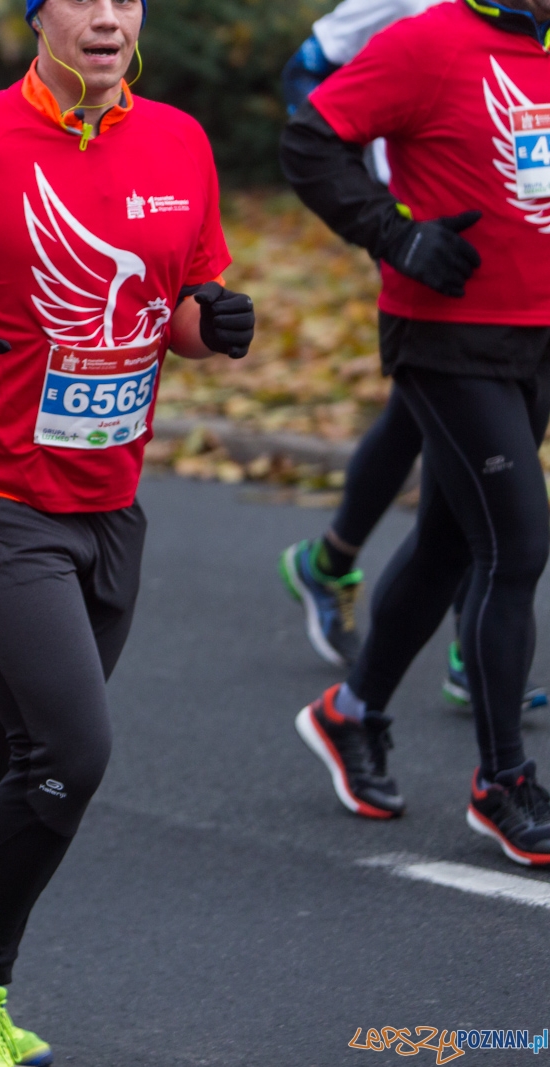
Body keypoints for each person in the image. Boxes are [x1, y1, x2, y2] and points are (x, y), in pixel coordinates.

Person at [0, 0, 254, 1061]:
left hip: (109, 498)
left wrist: (217, 326)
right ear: (39, 17)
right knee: (70, 748)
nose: (108, 15)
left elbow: (181, 302)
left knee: (26, 748)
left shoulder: (178, 140)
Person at [282, 0, 550, 864]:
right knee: (515, 545)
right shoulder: (431, 41)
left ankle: (348, 714)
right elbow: (310, 139)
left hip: (533, 339)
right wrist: (395, 237)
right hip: (447, 341)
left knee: (446, 544)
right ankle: (502, 781)